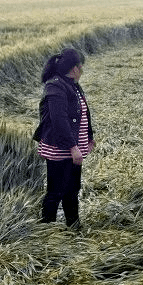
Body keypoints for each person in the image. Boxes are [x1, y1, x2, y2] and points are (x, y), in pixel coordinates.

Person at [33, 48, 95, 230]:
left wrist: (89, 137)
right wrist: (73, 147)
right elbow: (58, 120)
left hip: (73, 147)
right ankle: (47, 230)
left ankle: (74, 226)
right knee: (55, 191)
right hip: (61, 149)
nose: (83, 71)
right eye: (81, 67)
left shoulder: (72, 84)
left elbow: (84, 113)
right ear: (74, 68)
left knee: (72, 190)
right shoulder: (55, 86)